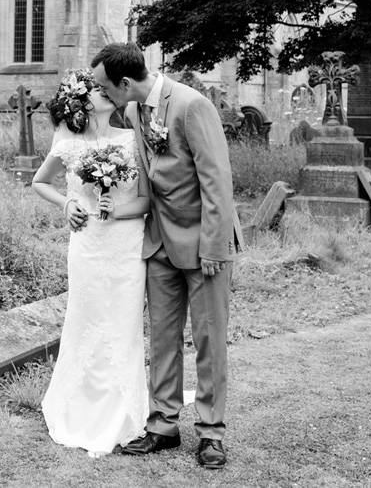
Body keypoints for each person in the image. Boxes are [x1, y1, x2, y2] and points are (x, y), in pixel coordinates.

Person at [90, 42, 241, 470]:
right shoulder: (136, 112)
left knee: (209, 341)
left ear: (124, 83)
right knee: (162, 338)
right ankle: (163, 424)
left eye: (105, 88)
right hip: (158, 241)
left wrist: (214, 244)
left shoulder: (192, 105)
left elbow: (217, 180)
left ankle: (211, 433)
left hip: (202, 242)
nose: (103, 96)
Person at [32, 68, 151, 457]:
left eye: (103, 88)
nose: (102, 92)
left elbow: (147, 201)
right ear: (82, 103)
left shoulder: (132, 140)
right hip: (86, 245)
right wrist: (67, 203)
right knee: (85, 321)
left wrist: (116, 211)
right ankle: (78, 409)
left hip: (126, 247)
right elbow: (40, 181)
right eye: (94, 90)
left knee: (123, 324)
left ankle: (124, 412)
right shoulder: (67, 143)